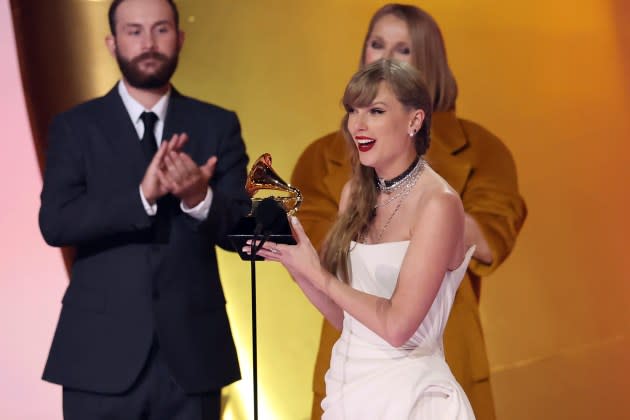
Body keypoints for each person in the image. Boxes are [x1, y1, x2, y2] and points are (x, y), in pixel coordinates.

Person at [291, 4, 527, 420]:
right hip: (353, 374)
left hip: (430, 369)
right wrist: (291, 258)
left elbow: (492, 238)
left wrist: (415, 193)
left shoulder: (474, 160)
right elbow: (328, 275)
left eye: (403, 49)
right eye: (376, 44)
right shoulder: (325, 163)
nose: (384, 58)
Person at [38, 0, 249, 418]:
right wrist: (141, 197)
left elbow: (243, 232)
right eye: (134, 32)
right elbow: (56, 222)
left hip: (193, 360)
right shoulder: (75, 127)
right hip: (97, 360)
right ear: (111, 43)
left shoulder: (216, 124)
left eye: (161, 30)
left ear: (180, 38)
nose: (148, 43)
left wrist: (197, 199)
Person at [249, 59, 476, 419]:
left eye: (376, 110)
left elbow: (398, 327)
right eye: (353, 110)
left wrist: (320, 275)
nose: (359, 124)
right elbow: (349, 319)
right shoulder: (354, 193)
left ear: (415, 121)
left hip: (411, 398)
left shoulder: (439, 204)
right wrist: (297, 266)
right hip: (350, 391)